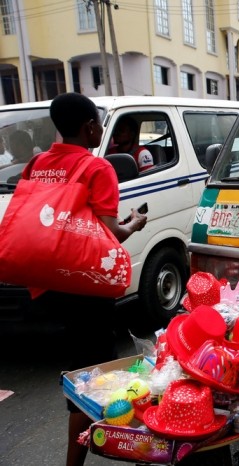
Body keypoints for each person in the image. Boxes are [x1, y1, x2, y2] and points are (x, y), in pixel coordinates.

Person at [20, 92, 148, 466]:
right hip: (82, 286)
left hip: (43, 283)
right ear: (90, 126)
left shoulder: (36, 164)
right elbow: (109, 237)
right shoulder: (98, 169)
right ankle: (78, 459)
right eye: (99, 123)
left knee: (78, 361)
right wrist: (134, 224)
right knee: (89, 376)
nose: (101, 129)